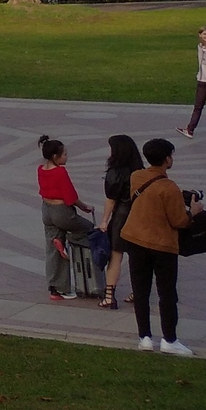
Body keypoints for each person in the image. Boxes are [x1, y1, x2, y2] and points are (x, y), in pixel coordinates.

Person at [122, 136, 202, 355]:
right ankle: (169, 339)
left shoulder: (136, 177)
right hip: (162, 245)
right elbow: (179, 221)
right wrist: (193, 212)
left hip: (135, 240)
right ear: (167, 159)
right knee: (166, 294)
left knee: (141, 291)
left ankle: (144, 338)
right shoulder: (169, 188)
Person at [36, 135, 96, 301]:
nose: (67, 157)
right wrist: (85, 207)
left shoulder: (41, 169)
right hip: (61, 211)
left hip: (46, 210)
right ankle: (69, 240)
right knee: (89, 229)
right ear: (56, 157)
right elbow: (70, 196)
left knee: (52, 250)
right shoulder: (60, 172)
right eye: (64, 154)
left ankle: (56, 289)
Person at [100, 133, 143, 311]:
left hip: (121, 216)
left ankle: (109, 296)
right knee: (138, 257)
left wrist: (104, 221)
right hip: (139, 216)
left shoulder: (115, 172)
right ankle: (139, 292)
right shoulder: (140, 171)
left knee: (116, 256)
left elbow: (111, 200)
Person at [177, 26, 206, 138]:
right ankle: (190, 130)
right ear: (200, 35)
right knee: (198, 107)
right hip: (202, 81)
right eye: (204, 34)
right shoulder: (200, 47)